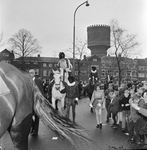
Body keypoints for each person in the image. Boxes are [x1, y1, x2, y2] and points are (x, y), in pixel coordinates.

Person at [29, 69, 44, 136]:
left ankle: (35, 131)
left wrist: (42, 99)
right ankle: (33, 126)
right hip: (29, 102)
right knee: (29, 116)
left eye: (32, 73)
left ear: (34, 73)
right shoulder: (27, 81)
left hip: (37, 101)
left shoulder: (39, 81)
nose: (30, 74)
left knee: (37, 117)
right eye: (29, 73)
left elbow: (42, 90)